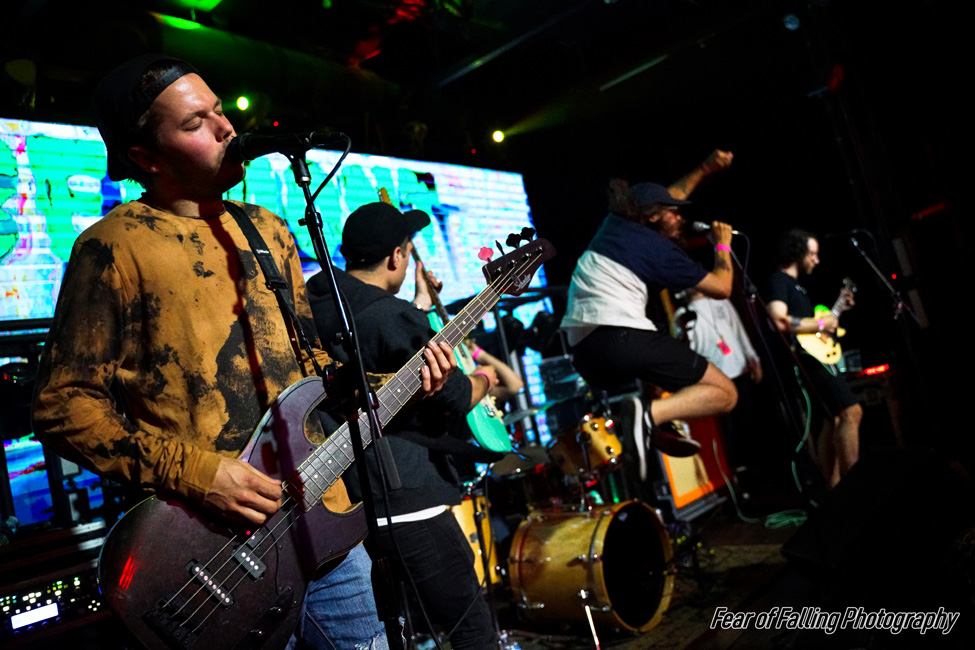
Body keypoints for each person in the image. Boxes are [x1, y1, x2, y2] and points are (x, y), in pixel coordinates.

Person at [31, 54, 456, 649]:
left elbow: (311, 379)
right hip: (210, 552)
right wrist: (198, 472)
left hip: (321, 523)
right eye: (194, 123)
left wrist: (402, 380)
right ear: (145, 158)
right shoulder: (113, 249)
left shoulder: (269, 230)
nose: (226, 128)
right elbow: (61, 406)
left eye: (220, 110)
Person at [306, 202, 499, 650]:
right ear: (397, 256)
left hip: (352, 503)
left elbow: (373, 351)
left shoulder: (324, 303)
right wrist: (488, 379)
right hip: (410, 494)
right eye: (408, 250)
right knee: (472, 629)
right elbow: (455, 398)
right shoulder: (394, 317)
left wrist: (416, 307)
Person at [560, 150, 739, 457]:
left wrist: (706, 167)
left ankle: (655, 422)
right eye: (674, 212)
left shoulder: (614, 223)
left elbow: (673, 194)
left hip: (585, 354)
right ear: (654, 214)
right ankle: (650, 415)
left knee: (655, 371)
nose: (680, 217)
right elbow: (723, 287)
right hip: (622, 337)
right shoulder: (662, 251)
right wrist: (722, 245)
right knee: (726, 393)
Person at [765, 228, 861, 488]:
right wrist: (821, 322)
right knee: (851, 412)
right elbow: (778, 319)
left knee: (833, 421)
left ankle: (835, 488)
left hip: (816, 356)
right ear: (797, 253)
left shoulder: (797, 287)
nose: (816, 260)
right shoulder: (779, 281)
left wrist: (836, 313)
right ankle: (856, 487)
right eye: (812, 254)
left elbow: (814, 329)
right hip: (809, 361)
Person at [674, 288, 762, 477]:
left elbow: (738, 329)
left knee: (747, 421)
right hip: (715, 378)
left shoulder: (721, 302)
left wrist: (753, 358)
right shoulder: (683, 314)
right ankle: (736, 472)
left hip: (739, 369)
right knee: (726, 430)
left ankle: (755, 467)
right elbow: (690, 349)